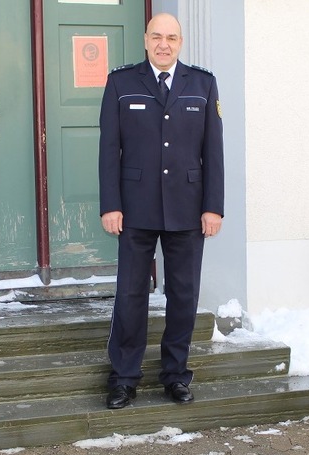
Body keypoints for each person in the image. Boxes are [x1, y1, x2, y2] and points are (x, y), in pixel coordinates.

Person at [98, 13, 224, 410]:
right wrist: (110, 204)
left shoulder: (202, 84)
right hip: (134, 209)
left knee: (183, 295)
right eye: (157, 36)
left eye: (171, 37)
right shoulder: (121, 82)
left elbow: (213, 153)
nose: (164, 44)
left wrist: (213, 208)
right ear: (145, 40)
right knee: (131, 294)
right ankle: (123, 377)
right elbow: (108, 151)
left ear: (181, 42)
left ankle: (175, 374)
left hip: (188, 210)